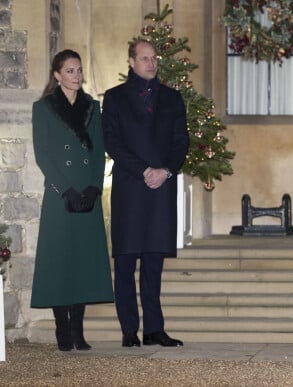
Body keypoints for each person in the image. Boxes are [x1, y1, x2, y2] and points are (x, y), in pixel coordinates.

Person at [102, 39, 190, 347]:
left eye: (154, 58)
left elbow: (181, 141)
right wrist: (143, 171)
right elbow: (112, 142)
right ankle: (129, 330)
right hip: (130, 187)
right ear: (131, 62)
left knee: (154, 264)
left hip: (160, 189)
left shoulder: (172, 98)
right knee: (125, 264)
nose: (151, 63)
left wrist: (165, 171)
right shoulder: (114, 98)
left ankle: (154, 329)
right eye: (144, 58)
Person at [31, 49, 114, 351]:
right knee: (59, 261)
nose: (76, 75)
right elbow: (44, 155)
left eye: (79, 70)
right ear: (56, 75)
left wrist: (94, 187)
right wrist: (65, 190)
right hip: (59, 195)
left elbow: (98, 150)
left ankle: (78, 331)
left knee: (82, 261)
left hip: (87, 194)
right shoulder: (43, 108)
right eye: (70, 70)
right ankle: (62, 329)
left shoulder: (93, 106)